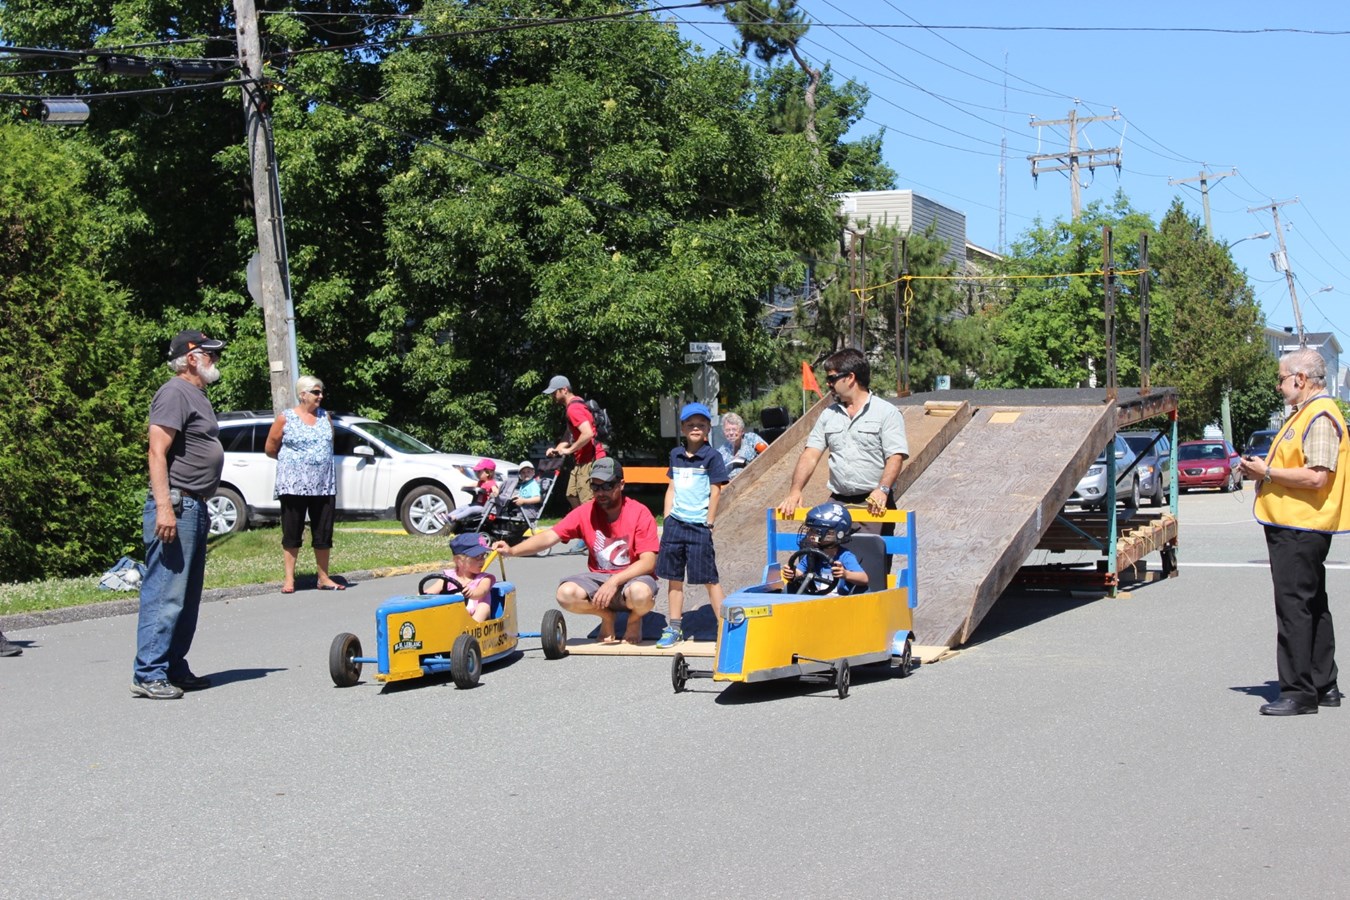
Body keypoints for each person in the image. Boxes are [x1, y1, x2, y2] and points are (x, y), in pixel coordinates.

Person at [1239, 348, 1349, 716]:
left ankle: (1298, 692)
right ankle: (1324, 684)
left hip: (1300, 525)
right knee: (1313, 603)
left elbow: (1317, 476)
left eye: (1282, 378)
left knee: (1293, 607)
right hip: (1300, 524)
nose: (1279, 385)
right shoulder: (1308, 413)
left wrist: (1265, 472)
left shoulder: (1318, 415)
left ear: (1301, 379)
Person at [132, 329, 226, 700]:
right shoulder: (173, 392)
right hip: (177, 505)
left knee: (186, 596)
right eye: (210, 354)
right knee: (165, 593)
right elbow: (157, 452)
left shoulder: (196, 394)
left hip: (194, 505)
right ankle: (149, 671)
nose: (215, 360)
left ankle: (172, 666)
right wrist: (165, 509)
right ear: (191, 358)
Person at [492, 458, 658, 644]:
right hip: (600, 579)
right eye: (595, 487)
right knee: (565, 594)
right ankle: (607, 616)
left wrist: (615, 581)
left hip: (631, 579)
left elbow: (648, 562)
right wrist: (512, 550)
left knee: (641, 594)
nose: (601, 492)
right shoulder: (585, 512)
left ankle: (634, 620)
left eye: (607, 486)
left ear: (621, 484)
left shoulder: (640, 513)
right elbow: (550, 536)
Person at [778, 348, 908, 559]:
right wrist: (795, 491)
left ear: (850, 378)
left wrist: (882, 490)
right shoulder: (829, 415)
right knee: (817, 559)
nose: (828, 384)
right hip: (837, 502)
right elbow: (810, 455)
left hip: (873, 503)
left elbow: (895, 456)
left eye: (832, 378)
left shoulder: (886, 412)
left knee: (869, 568)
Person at [655, 402, 729, 648]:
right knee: (673, 578)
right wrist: (667, 519)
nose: (695, 428)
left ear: (708, 427)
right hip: (675, 524)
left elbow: (715, 491)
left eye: (700, 424)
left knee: (709, 578)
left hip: (699, 526)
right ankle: (674, 627)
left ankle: (725, 627)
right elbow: (672, 487)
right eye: (690, 425)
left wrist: (709, 521)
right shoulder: (675, 454)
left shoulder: (712, 457)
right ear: (683, 428)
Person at [264, 374, 341, 593]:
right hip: (293, 485)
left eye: (321, 392)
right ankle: (289, 579)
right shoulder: (286, 418)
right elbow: (270, 447)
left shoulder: (325, 416)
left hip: (323, 484)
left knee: (323, 531)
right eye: (316, 392)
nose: (320, 396)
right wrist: (294, 463)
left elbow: (329, 442)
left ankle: (324, 577)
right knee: (292, 530)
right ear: (302, 394)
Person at [542, 375, 607, 508]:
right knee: (571, 495)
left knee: (587, 501)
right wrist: (558, 449)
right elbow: (569, 433)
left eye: (554, 392)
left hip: (590, 460)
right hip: (582, 460)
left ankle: (594, 527)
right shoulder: (575, 405)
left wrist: (569, 450)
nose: (552, 396)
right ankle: (582, 525)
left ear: (564, 390)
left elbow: (587, 433)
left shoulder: (574, 409)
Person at [785, 502, 868, 596]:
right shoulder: (811, 555)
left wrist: (846, 574)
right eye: (810, 531)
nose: (810, 536)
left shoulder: (844, 556)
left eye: (816, 532)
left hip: (841, 603)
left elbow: (864, 579)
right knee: (788, 588)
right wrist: (791, 572)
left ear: (833, 534)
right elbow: (800, 573)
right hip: (816, 600)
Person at [425, 533, 497, 623]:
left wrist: (472, 593)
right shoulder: (447, 577)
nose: (482, 560)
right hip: (451, 617)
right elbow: (429, 593)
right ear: (459, 561)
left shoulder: (484, 578)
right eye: (477, 557)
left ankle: (472, 628)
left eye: (483, 555)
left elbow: (482, 591)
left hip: (475, 619)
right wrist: (420, 597)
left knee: (484, 606)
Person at [447, 459, 498, 526]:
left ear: (487, 473)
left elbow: (496, 490)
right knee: (463, 507)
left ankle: (454, 518)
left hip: (484, 507)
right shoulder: (481, 482)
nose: (476, 473)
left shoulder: (491, 483)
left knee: (470, 510)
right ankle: (448, 516)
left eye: (479, 472)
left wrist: (494, 493)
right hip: (477, 504)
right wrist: (465, 486)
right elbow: (474, 485)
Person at [719, 411, 767, 479]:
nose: (731, 433)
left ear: (742, 431)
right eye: (727, 430)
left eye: (734, 429)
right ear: (724, 433)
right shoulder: (722, 451)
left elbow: (767, 453)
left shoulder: (752, 439)